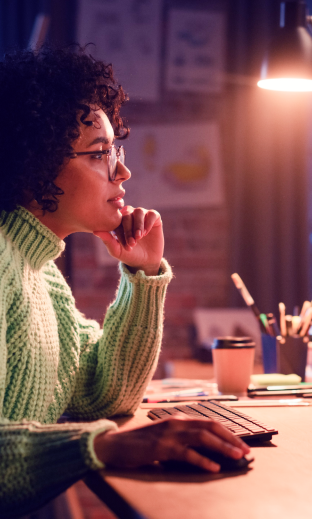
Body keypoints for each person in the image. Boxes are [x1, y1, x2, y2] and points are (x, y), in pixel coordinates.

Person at [0, 46, 249, 517]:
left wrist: (143, 276)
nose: (122, 170)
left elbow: (101, 393)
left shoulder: (40, 273)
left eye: (115, 150)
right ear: (34, 165)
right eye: (99, 154)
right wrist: (108, 446)